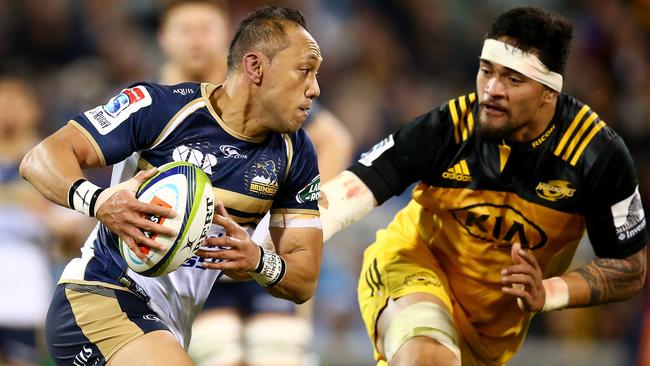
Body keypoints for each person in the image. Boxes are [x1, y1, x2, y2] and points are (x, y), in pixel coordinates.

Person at [317, 6, 647, 366]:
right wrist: (280, 237)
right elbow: (356, 186)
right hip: (414, 267)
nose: (492, 90)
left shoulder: (596, 156)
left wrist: (548, 292)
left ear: (548, 93)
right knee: (430, 357)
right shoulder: (449, 127)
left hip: (490, 333)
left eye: (513, 79)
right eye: (486, 71)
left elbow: (629, 267)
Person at [20, 5, 324, 365]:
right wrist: (99, 201)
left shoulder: (295, 153)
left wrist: (259, 261)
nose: (315, 89)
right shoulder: (159, 108)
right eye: (304, 71)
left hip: (167, 325)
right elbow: (41, 157)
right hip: (100, 296)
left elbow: (303, 280)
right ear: (255, 67)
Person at [157, 2, 353, 365]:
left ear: (227, 36)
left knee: (278, 354)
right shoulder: (156, 105)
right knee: (220, 355)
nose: (197, 40)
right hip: (191, 265)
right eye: (186, 29)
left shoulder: (257, 91)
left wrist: (294, 214)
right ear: (163, 38)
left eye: (207, 28)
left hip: (260, 252)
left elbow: (334, 140)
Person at [0, 76, 93, 365]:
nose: (9, 108)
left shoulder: (52, 164)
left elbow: (77, 230)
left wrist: (49, 219)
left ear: (35, 109)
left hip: (25, 291)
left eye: (17, 99)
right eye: (3, 100)